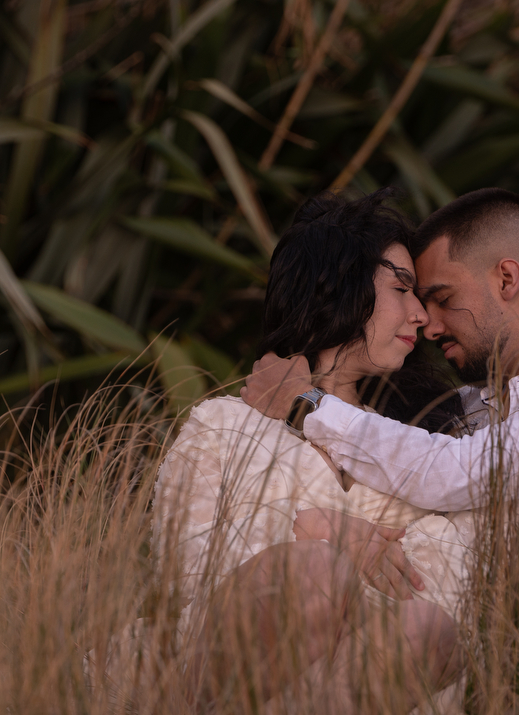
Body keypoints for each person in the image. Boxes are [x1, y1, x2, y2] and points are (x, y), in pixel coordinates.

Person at [241, 188, 519, 647]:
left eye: (443, 298)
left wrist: (305, 404)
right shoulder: (465, 407)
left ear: (506, 278)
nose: (429, 325)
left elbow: (456, 473)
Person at [152, 190, 472, 712]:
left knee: (427, 627)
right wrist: (319, 529)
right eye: (400, 288)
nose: (420, 315)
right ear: (338, 284)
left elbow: (455, 578)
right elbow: (187, 569)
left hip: (373, 677)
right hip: (230, 674)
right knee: (316, 574)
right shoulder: (225, 425)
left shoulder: (416, 442)